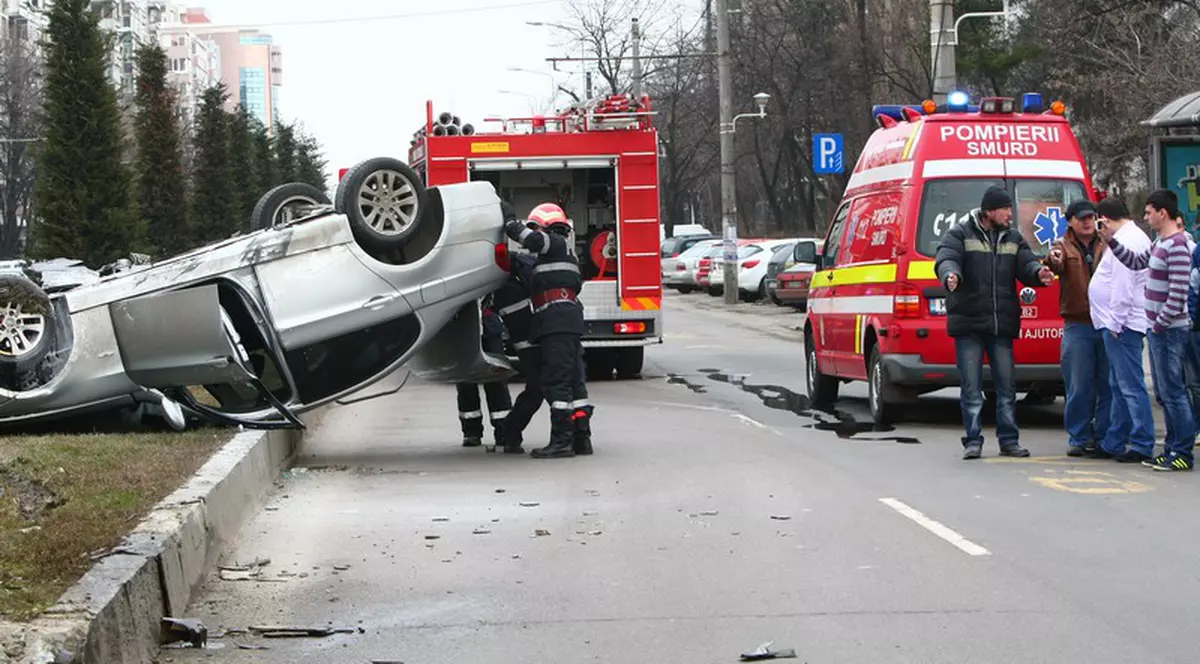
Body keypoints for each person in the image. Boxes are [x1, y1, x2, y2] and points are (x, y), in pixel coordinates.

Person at [934, 185, 1054, 460]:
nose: (1010, 215)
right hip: (969, 324)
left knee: (1006, 388)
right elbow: (946, 258)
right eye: (1005, 209)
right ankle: (973, 441)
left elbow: (1026, 263)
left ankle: (1009, 440)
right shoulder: (960, 234)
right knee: (972, 389)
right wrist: (950, 274)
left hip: (1001, 324)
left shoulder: (1013, 238)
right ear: (990, 211)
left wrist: (1039, 273)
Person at [1101, 190, 1195, 470]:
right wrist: (1111, 242)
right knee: (1165, 393)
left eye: (1149, 212)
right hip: (1159, 330)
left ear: (1162, 213)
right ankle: (1171, 448)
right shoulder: (1160, 243)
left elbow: (1178, 292)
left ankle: (1182, 452)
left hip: (1169, 331)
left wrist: (1159, 323)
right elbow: (1135, 262)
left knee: (1174, 392)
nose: (1145, 217)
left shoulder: (1176, 245)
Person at [501, 201, 593, 459]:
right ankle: (581, 438)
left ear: (546, 227)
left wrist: (510, 221)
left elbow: (530, 240)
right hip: (567, 321)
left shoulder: (555, 244)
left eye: (536, 228)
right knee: (575, 382)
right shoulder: (567, 256)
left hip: (556, 323)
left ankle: (562, 442)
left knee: (556, 381)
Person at [1088, 196, 1156, 464]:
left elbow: (1123, 287)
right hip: (1120, 322)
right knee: (1119, 384)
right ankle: (1115, 440)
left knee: (1130, 385)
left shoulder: (1125, 241)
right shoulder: (1130, 236)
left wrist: (1116, 322)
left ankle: (1141, 442)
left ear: (1104, 219)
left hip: (1123, 324)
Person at [1045, 200, 1111, 457]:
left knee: (1108, 385)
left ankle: (1105, 436)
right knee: (1079, 385)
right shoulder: (1062, 246)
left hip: (1107, 322)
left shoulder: (1107, 242)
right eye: (1081, 218)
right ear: (1070, 221)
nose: (1087, 222)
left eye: (1091, 217)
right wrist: (1052, 260)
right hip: (1078, 324)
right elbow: (1053, 262)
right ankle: (1079, 437)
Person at [493, 252, 541, 455]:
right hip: (533, 345)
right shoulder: (513, 290)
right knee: (539, 390)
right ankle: (511, 432)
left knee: (537, 391)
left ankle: (511, 434)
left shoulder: (506, 289)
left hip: (529, 346)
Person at [454, 300, 512, 449]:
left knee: (496, 378)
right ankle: (471, 432)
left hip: (488, 324)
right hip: (461, 325)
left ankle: (504, 430)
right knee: (466, 382)